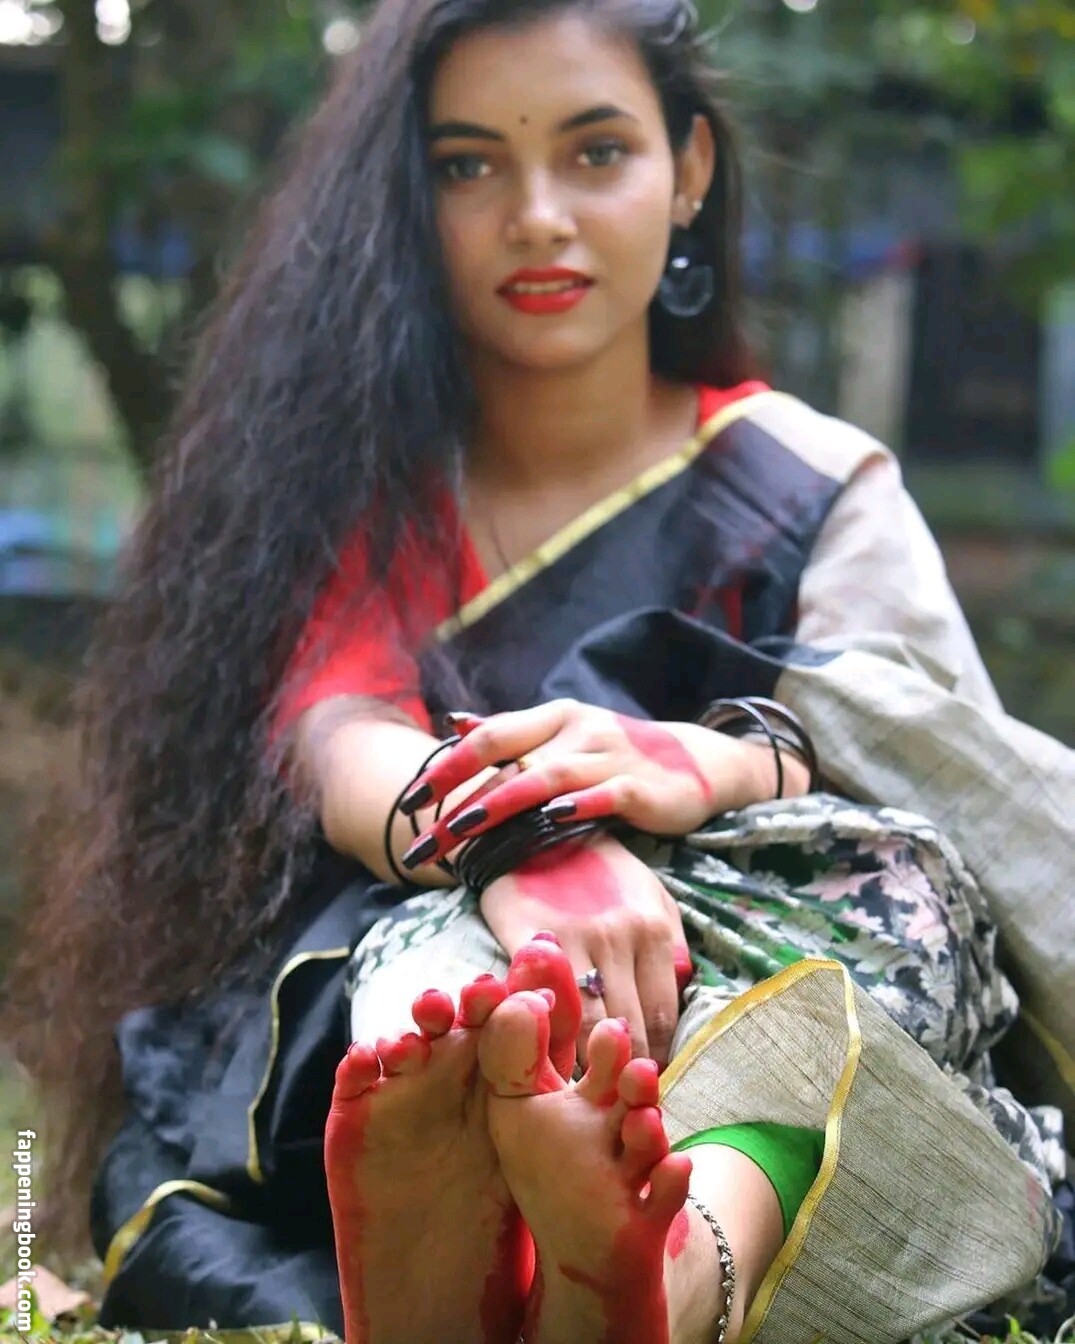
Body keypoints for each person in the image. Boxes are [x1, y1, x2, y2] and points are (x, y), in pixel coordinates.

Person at [5, 0, 1073, 1339]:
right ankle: (519, 1239)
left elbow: (930, 782)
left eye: (596, 151)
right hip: (446, 966)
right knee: (447, 995)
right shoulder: (354, 487)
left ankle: (663, 1263)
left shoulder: (811, 482)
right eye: (468, 165)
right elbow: (339, 732)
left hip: (751, 967)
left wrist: (695, 767)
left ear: (688, 170)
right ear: (409, 200)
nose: (537, 217)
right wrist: (526, 845)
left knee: (881, 917)